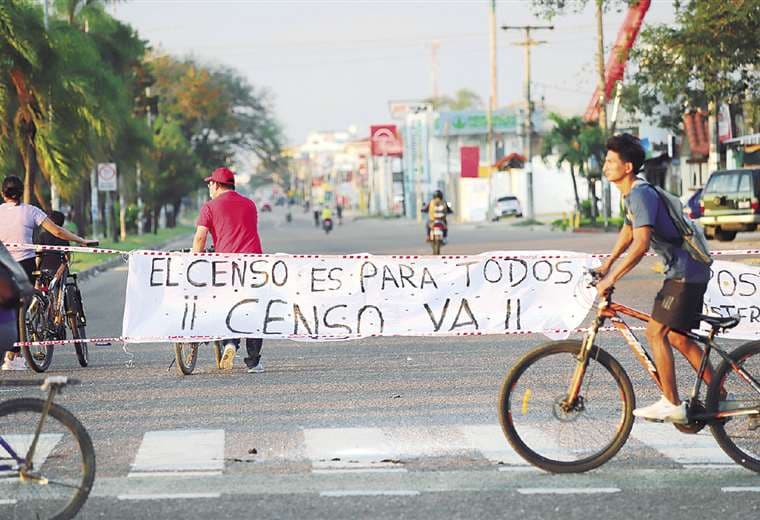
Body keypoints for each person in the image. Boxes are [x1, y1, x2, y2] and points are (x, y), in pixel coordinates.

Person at [594, 133, 712, 423]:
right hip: (687, 271)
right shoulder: (633, 194)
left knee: (655, 333)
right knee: (677, 338)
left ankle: (671, 402)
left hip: (685, 273)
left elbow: (641, 244)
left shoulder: (639, 193)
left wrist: (611, 279)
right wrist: (607, 264)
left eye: (611, 161)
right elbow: (628, 230)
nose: (605, 166)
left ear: (628, 167)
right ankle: (720, 394)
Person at [0, 176, 94, 370]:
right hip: (24, 264)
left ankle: (12, 353)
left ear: (3, 193)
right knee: (20, 308)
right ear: (21, 191)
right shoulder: (31, 211)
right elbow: (58, 232)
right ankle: (15, 355)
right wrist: (81, 241)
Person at [193, 167, 265, 373]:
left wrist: (193, 261)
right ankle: (253, 362)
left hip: (225, 264)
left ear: (216, 185)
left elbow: (200, 238)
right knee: (252, 308)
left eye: (210, 183)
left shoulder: (210, 207)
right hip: (253, 264)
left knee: (226, 304)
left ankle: (230, 343)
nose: (209, 187)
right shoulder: (250, 204)